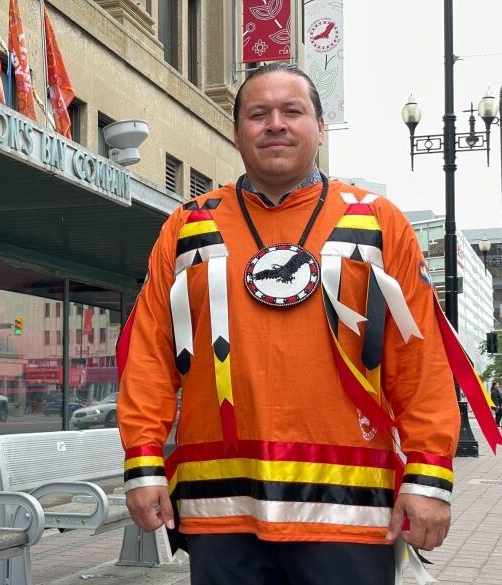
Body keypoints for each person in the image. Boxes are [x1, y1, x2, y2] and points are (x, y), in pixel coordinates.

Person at [116, 63, 466, 585]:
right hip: (222, 507)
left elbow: (419, 360)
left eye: (292, 111)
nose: (274, 124)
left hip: (348, 511)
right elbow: (149, 357)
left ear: (320, 128)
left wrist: (428, 477)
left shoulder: (377, 222)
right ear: (237, 132)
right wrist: (143, 464)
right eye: (258, 114)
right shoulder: (188, 227)